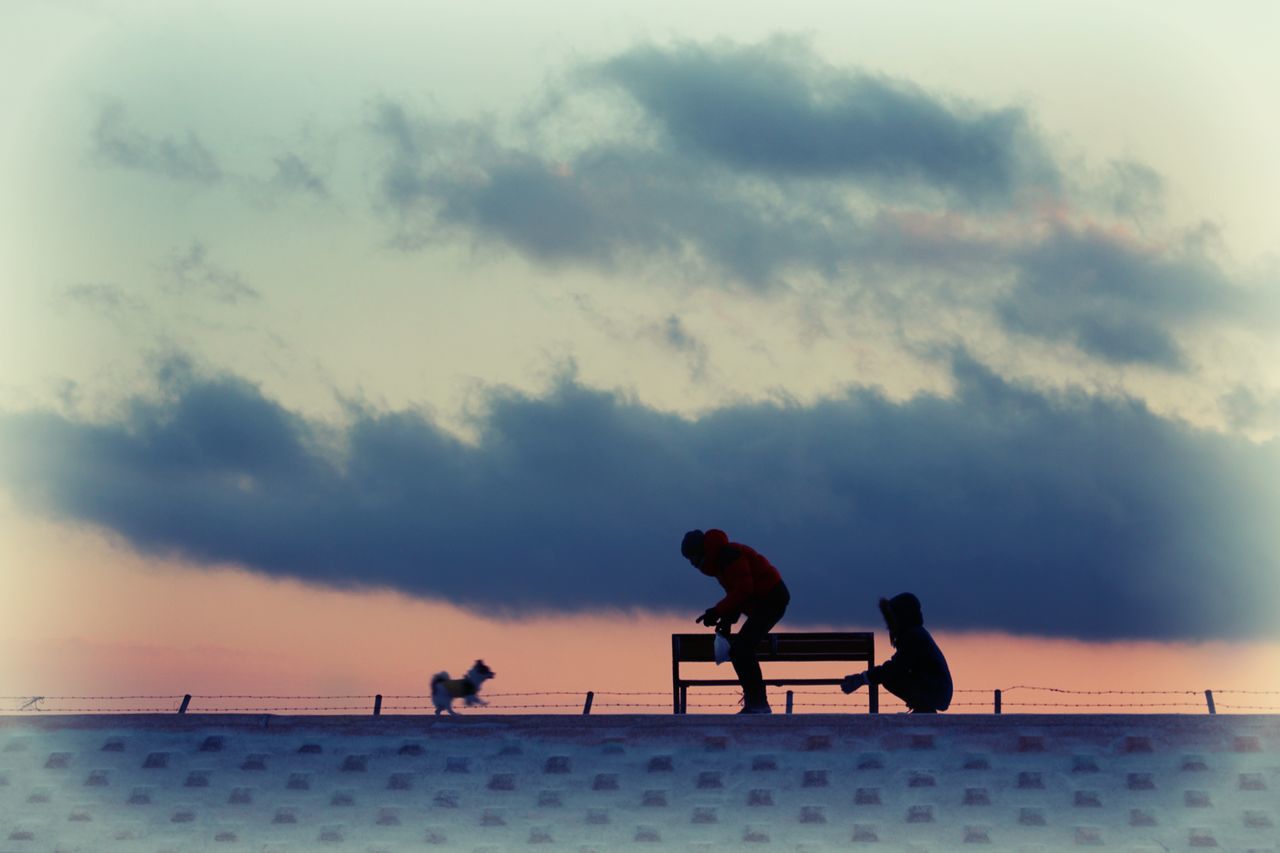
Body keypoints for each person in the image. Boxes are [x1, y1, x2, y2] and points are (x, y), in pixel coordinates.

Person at [682, 528, 790, 714]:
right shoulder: (719, 562)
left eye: (691, 557)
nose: (692, 564)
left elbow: (744, 590)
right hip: (764, 602)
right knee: (740, 649)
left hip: (771, 600)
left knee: (741, 650)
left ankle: (758, 704)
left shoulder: (728, 556)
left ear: (701, 551)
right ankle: (756, 702)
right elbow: (737, 596)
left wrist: (717, 612)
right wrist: (726, 620)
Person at [842, 592, 952, 713]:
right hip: (938, 688)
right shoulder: (915, 634)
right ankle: (922, 708)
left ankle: (923, 708)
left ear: (901, 617)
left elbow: (895, 667)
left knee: (890, 677)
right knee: (889, 676)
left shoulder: (913, 637)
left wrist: (863, 678)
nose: (888, 626)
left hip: (936, 690)